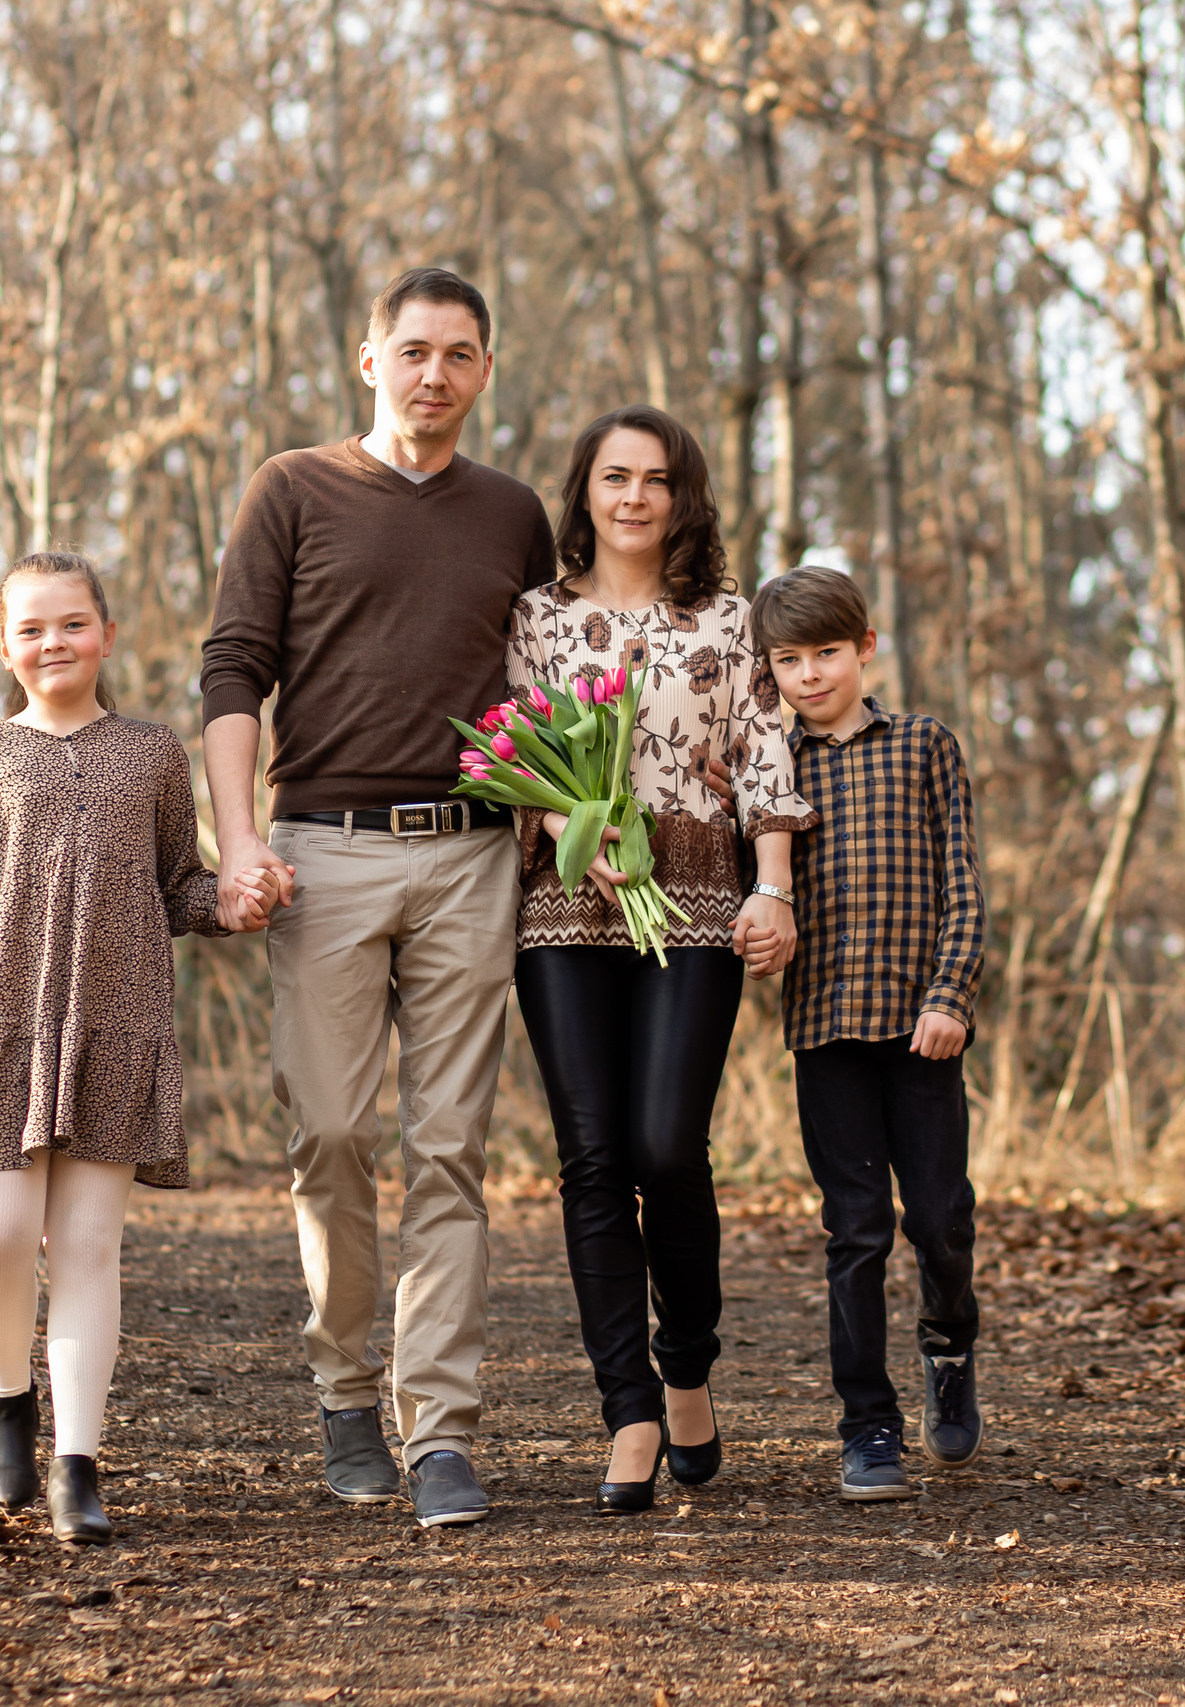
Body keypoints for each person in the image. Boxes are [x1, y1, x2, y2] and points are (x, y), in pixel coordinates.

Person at [199, 266, 555, 1528]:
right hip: (322, 852)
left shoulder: (515, 514)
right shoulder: (292, 489)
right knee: (333, 1135)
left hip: (471, 856)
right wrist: (237, 840)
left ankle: (441, 1429)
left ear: (484, 372)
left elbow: (546, 688)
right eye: (413, 351)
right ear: (369, 361)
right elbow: (233, 671)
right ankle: (346, 1388)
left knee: (450, 1150)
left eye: (460, 355)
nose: (434, 375)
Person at [0, 551, 271, 1544]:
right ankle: (10, 1400)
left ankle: (77, 1464)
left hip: (117, 1020)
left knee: (90, 1247)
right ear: (3, 646)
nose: (51, 643)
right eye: (30, 629)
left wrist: (234, 900)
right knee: (2, 1236)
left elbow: (178, 885)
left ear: (106, 633)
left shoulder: (151, 754)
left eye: (71, 624)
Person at [504, 405, 813, 1514]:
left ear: (684, 497)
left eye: (655, 480)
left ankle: (687, 1360)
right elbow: (513, 752)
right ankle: (627, 1407)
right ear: (582, 491)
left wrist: (770, 888)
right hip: (563, 912)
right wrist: (564, 828)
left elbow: (762, 755)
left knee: (667, 1147)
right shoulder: (533, 616)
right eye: (612, 477)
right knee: (591, 1158)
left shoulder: (729, 621)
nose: (632, 497)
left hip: (697, 903)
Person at [753, 565, 988, 1501]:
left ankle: (949, 1344)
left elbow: (964, 883)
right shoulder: (771, 768)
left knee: (937, 1219)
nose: (809, 675)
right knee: (854, 1230)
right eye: (788, 660)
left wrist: (951, 996)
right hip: (824, 1032)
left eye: (826, 654)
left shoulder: (925, 744)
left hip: (921, 1029)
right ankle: (868, 1425)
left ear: (864, 650)